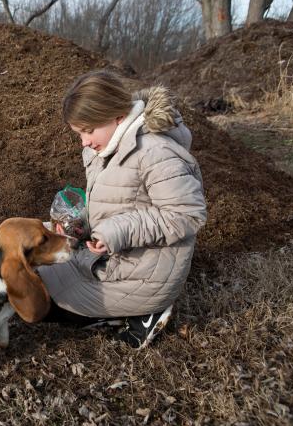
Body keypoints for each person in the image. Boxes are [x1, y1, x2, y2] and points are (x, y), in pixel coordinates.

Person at [38, 70, 207, 349]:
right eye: (79, 133)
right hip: (117, 260)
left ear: (116, 115)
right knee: (38, 247)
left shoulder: (155, 152)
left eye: (88, 131)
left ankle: (145, 312)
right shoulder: (106, 149)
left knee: (42, 301)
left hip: (144, 274)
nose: (84, 141)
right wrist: (80, 225)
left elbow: (187, 215)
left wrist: (116, 231)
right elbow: (117, 203)